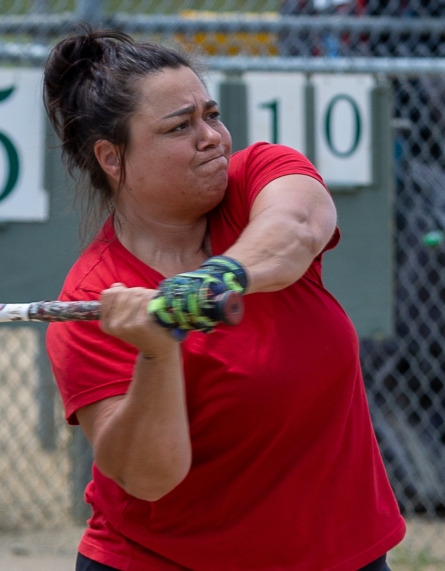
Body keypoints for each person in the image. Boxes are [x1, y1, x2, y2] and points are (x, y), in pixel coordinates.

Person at [44, 28, 406, 571]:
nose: (212, 136)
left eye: (211, 115)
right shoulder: (94, 297)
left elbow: (298, 227)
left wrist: (213, 280)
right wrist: (156, 352)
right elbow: (147, 476)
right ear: (112, 158)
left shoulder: (256, 179)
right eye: (180, 127)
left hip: (340, 555)